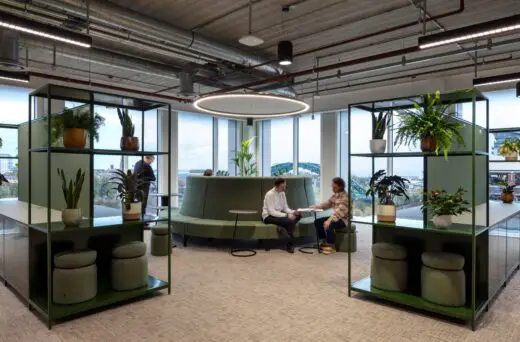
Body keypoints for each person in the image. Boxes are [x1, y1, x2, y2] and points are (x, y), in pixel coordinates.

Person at [262, 178, 301, 253]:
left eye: (285, 186)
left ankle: (281, 227)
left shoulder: (282, 193)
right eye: (282, 187)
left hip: (278, 215)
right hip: (268, 216)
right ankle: (290, 245)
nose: (284, 188)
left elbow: (285, 208)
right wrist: (287, 215)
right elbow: (272, 212)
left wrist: (294, 212)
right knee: (289, 222)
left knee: (298, 216)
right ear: (276, 186)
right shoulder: (270, 194)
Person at [312, 177, 350, 254]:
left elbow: (339, 213)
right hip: (336, 217)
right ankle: (324, 241)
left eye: (334, 187)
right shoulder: (335, 195)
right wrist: (317, 206)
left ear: (340, 187)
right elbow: (327, 203)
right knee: (317, 221)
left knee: (330, 224)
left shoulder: (346, 197)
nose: (332, 188)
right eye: (332, 186)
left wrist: (329, 221)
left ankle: (331, 246)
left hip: (344, 219)